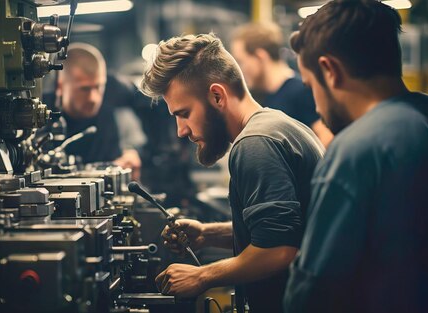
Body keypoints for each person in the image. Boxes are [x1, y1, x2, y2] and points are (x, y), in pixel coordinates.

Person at [283, 1, 428, 312]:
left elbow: (314, 292)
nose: (318, 107)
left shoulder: (354, 150)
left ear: (330, 70)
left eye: (311, 86)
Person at [140, 33, 324, 312]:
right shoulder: (277, 124)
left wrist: (202, 276)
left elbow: (278, 250)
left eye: (184, 113)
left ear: (217, 95)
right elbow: (286, 230)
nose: (181, 130)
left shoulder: (255, 144)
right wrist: (207, 234)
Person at [230, 22, 333, 147]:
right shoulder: (264, 96)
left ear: (260, 57)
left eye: (241, 62)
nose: (239, 70)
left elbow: (326, 136)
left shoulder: (300, 91)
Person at [53, 43, 145, 176]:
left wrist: (130, 153)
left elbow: (132, 146)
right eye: (84, 89)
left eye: (98, 87)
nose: (93, 98)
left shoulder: (114, 113)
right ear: (60, 86)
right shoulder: (40, 118)